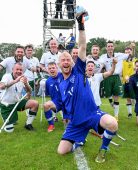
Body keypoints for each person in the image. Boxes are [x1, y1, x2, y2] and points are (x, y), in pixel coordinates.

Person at [46, 7, 118, 163]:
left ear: (72, 62)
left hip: (91, 114)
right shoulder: (59, 82)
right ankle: (80, 138)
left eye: (68, 60)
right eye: (62, 60)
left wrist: (81, 24)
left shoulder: (78, 71)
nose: (65, 62)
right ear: (59, 64)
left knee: (112, 124)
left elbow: (83, 46)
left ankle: (103, 149)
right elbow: (58, 103)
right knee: (61, 151)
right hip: (75, 122)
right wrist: (50, 105)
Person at [0, 63, 39, 132]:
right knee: (9, 130)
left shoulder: (23, 78)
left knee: (35, 103)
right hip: (6, 105)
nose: (19, 71)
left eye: (21, 70)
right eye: (17, 69)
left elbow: (29, 91)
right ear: (12, 70)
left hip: (17, 102)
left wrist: (26, 84)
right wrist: (15, 81)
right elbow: (1, 86)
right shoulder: (7, 76)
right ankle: (9, 121)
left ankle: (28, 124)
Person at [99, 41, 129, 121]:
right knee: (108, 94)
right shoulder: (103, 56)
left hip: (116, 77)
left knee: (116, 96)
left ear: (113, 47)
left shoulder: (120, 55)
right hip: (108, 76)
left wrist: (132, 48)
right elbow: (100, 65)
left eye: (111, 46)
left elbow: (129, 55)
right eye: (108, 46)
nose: (110, 48)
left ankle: (116, 116)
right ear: (106, 48)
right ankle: (110, 101)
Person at [44, 62, 70, 132]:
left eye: (53, 68)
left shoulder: (63, 75)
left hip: (67, 102)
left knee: (67, 125)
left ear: (57, 68)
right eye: (50, 68)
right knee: (46, 105)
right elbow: (48, 93)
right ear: (47, 70)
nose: (52, 70)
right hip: (56, 103)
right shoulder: (48, 81)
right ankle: (51, 125)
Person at [122, 45, 137, 118]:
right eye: (126, 52)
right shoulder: (123, 61)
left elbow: (136, 69)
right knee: (128, 98)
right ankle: (130, 113)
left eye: (129, 51)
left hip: (133, 81)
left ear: (131, 52)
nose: (128, 53)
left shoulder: (134, 60)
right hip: (125, 82)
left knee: (134, 98)